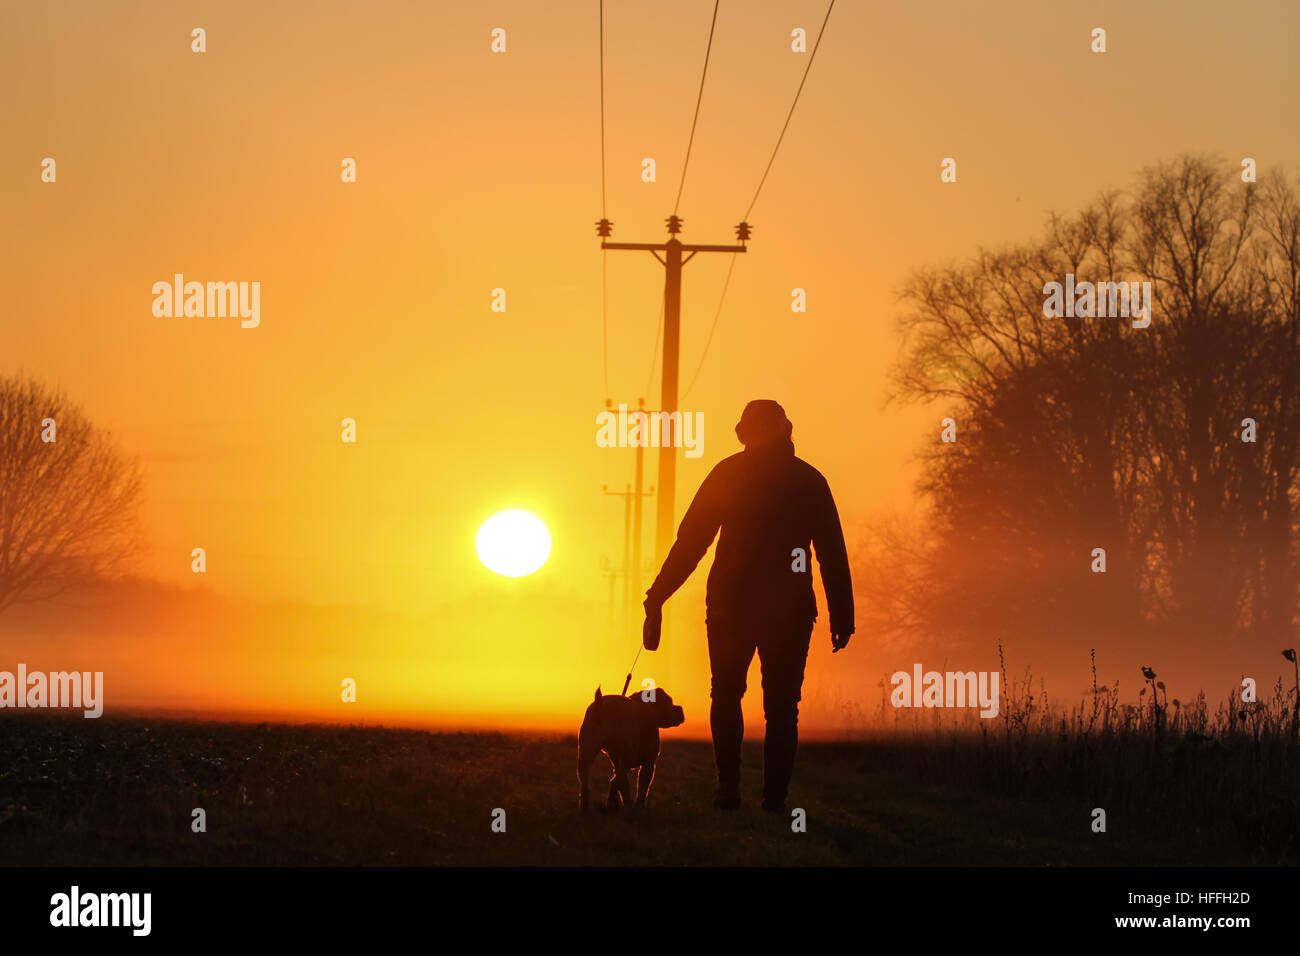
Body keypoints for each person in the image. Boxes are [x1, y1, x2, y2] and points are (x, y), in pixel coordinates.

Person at [641, 399, 854, 812]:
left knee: (727, 695)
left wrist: (658, 595)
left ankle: (730, 789)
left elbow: (692, 542)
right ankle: (772, 800)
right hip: (784, 611)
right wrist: (842, 614)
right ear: (785, 431)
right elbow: (831, 551)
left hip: (731, 606)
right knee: (780, 707)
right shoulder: (808, 480)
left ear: (744, 433)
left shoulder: (729, 474)